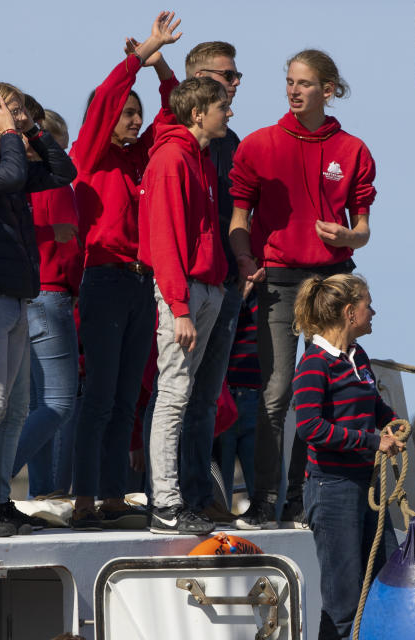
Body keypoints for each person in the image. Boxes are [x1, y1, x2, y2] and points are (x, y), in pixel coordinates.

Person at [229, 49, 376, 530]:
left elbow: (363, 228)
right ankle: (263, 499)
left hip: (332, 279)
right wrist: (246, 258)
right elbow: (238, 219)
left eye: (305, 83)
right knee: (276, 393)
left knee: (325, 393)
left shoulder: (353, 150)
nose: (294, 90)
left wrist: (349, 236)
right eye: (290, 81)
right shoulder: (257, 145)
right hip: (277, 276)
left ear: (328, 90)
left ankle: (297, 497)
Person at [69, 12, 181, 530]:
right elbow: (108, 99)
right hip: (106, 279)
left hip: (142, 283)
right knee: (99, 395)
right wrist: (135, 62)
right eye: (126, 113)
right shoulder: (89, 155)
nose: (134, 120)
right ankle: (86, 495)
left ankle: (113, 493)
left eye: (138, 114)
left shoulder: (143, 159)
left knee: (125, 397)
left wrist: (161, 70)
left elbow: (177, 116)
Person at [0, 83, 77, 537]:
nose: (17, 115)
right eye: (8, 108)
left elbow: (62, 172)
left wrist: (34, 132)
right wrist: (11, 136)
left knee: (16, 405)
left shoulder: (4, 157)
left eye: (19, 109)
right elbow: (9, 177)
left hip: (14, 294)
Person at [139, 76, 231, 535]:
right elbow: (164, 238)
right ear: (199, 114)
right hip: (185, 291)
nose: (228, 113)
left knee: (185, 395)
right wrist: (177, 307)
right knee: (173, 396)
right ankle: (166, 505)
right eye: (222, 106)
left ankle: (175, 501)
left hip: (206, 286)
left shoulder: (198, 158)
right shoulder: (173, 159)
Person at [291, 274, 404, 640]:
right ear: (349, 312)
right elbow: (309, 426)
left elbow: (372, 405)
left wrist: (392, 423)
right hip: (332, 489)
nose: (374, 312)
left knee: (385, 580)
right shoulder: (314, 364)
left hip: (365, 485)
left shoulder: (358, 357)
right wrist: (372, 442)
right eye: (368, 304)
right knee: (343, 603)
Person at [11, 109, 83, 499]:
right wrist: (76, 288)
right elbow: (70, 248)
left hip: (24, 296)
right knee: (59, 403)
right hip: (52, 294)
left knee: (40, 404)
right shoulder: (56, 187)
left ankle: (39, 493)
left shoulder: (16, 185)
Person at [216, 291, 261, 508]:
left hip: (255, 395)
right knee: (218, 496)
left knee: (264, 494)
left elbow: (269, 326)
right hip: (223, 396)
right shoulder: (221, 291)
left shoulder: (264, 295)